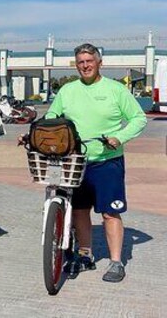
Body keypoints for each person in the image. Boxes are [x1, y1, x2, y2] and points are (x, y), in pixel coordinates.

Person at [43, 43, 146, 282]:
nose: (85, 65)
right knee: (79, 211)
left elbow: (138, 118)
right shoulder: (68, 90)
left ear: (100, 62)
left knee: (110, 213)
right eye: (80, 62)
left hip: (107, 161)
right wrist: (40, 132)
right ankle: (85, 255)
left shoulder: (115, 90)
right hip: (74, 161)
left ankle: (116, 262)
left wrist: (119, 137)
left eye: (89, 61)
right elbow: (51, 116)